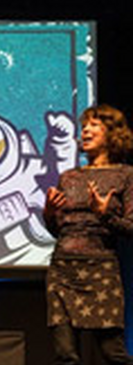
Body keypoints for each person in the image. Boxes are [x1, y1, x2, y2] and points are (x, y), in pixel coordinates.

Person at [44, 104, 133, 365]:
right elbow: (57, 230)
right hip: (62, 271)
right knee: (65, 355)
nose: (85, 130)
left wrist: (105, 214)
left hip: (101, 271)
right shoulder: (69, 177)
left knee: (113, 353)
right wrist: (49, 213)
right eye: (84, 126)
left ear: (112, 133)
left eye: (94, 125)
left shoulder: (126, 175)